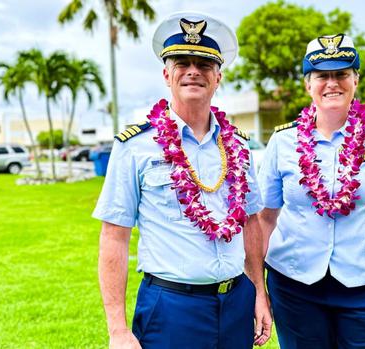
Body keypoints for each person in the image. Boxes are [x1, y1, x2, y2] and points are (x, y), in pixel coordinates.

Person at [92, 11, 272, 349]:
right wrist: (117, 329)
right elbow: (114, 236)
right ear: (166, 74)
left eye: (204, 65)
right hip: (171, 307)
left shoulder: (238, 145)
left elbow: (250, 222)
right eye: (182, 62)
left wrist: (259, 293)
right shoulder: (135, 146)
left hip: (236, 302)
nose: (193, 71)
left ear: (218, 77)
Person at [257, 33, 365, 348]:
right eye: (322, 75)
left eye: (341, 74)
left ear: (356, 80)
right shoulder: (283, 141)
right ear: (307, 84)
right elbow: (264, 219)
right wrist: (258, 289)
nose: (331, 83)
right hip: (295, 287)